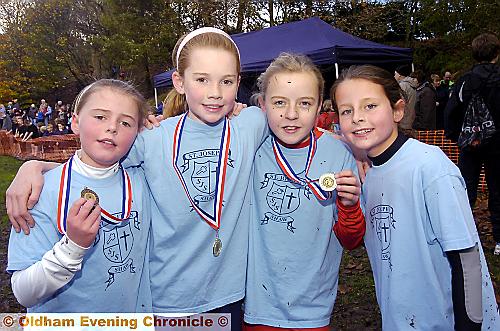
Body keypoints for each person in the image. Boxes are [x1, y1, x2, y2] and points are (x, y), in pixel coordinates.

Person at [7, 27, 267, 329]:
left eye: (227, 81)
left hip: (229, 294)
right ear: (179, 82)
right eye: (202, 79)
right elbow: (97, 163)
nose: (215, 92)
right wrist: (35, 167)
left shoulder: (252, 123)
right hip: (168, 302)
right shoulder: (151, 139)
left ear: (239, 82)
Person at [331, 64, 499, 330]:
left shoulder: (430, 167)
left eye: (370, 106)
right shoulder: (367, 174)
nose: (357, 118)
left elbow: (466, 259)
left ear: (398, 110)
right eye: (346, 111)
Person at [7, 79, 153, 312]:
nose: (112, 127)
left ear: (138, 132)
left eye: (126, 122)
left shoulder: (144, 180)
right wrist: (72, 248)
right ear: (75, 122)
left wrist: (233, 112)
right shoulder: (39, 192)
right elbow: (23, 292)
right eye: (100, 117)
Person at [244, 53, 365, 330]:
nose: (291, 114)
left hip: (313, 308)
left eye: (305, 103)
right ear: (262, 105)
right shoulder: (249, 146)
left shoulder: (340, 154)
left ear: (319, 106)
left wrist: (349, 205)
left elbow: (352, 241)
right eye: (279, 103)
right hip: (255, 305)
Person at [444, 33, 500, 255]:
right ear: (497, 53)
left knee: (466, 187)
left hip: (470, 142)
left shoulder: (464, 81)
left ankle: (463, 234)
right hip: (497, 144)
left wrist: (455, 135)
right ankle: (499, 240)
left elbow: (451, 110)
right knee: (497, 188)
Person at [394, 64, 417, 136]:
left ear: (400, 75)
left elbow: (399, 104)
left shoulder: (402, 86)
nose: (394, 76)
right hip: (410, 120)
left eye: (395, 74)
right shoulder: (412, 86)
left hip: (403, 121)